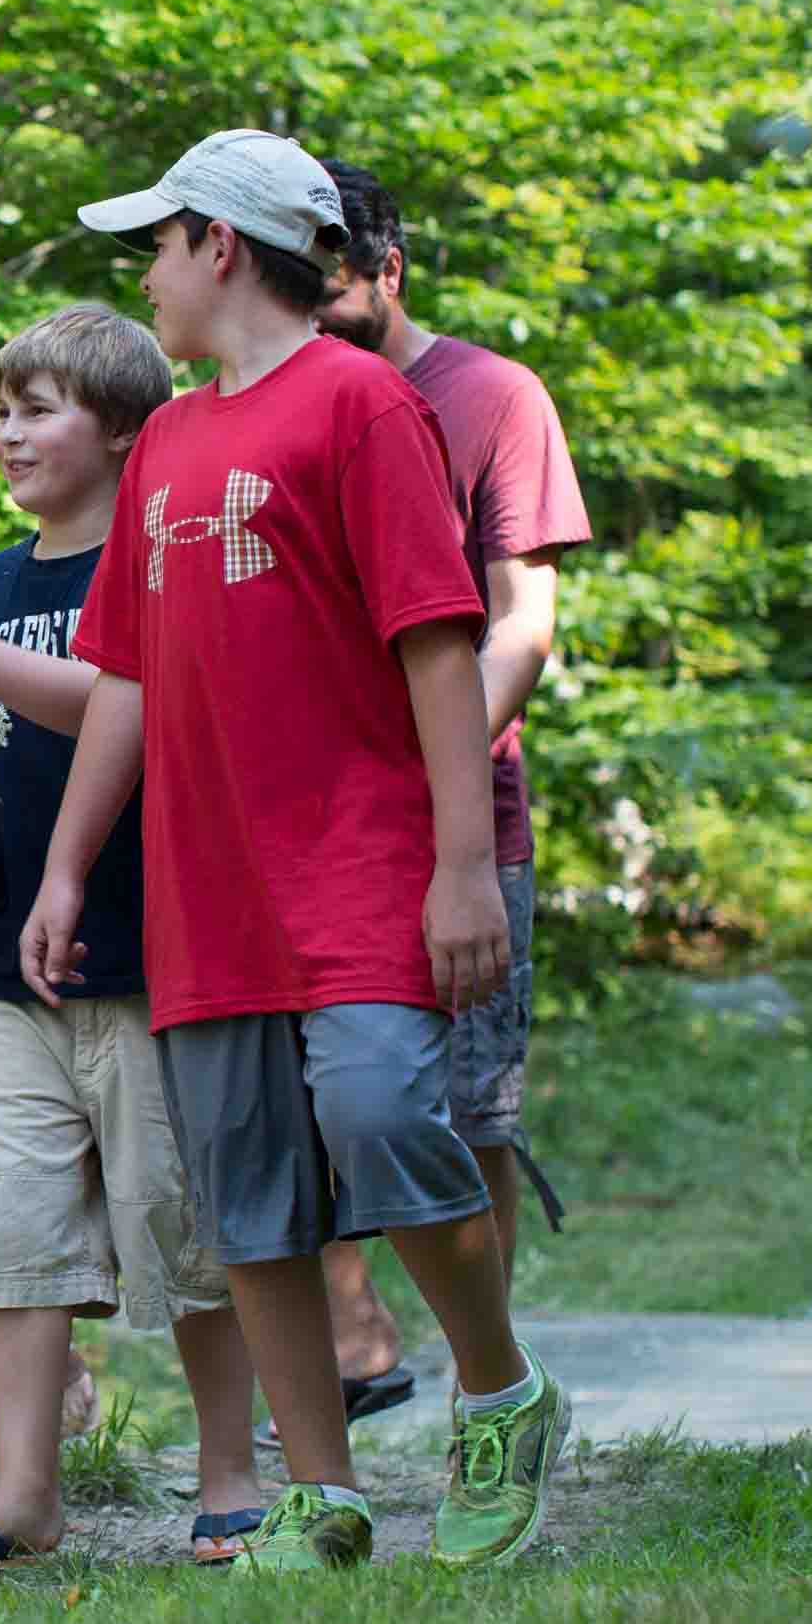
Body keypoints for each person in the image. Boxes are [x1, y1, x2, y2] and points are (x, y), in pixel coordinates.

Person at [21, 128, 567, 1574]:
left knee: (387, 1114)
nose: (143, 275)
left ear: (219, 243)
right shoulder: (169, 448)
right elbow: (127, 679)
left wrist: (463, 866)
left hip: (360, 865)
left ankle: (501, 1394)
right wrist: (73, 865)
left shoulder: (362, 405)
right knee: (248, 1189)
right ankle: (316, 1496)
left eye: (155, 244)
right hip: (207, 886)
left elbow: (439, 643)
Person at [0, 305, 269, 1577]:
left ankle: (233, 1476)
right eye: (3, 410)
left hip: (154, 949)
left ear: (126, 430)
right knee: (13, 1225)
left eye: (40, 410)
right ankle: (23, 1489)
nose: (9, 433)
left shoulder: (151, 561)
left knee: (178, 1219)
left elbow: (117, 702)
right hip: (4, 961)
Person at [301, 158, 592, 1406]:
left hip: (464, 816)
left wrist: (425, 777)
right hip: (304, 828)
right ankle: (358, 1343)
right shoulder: (270, 398)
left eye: (323, 291)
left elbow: (520, 624)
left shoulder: (490, 397)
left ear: (387, 273)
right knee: (302, 1099)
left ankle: (490, 1381)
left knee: (472, 1108)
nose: (303, 318)